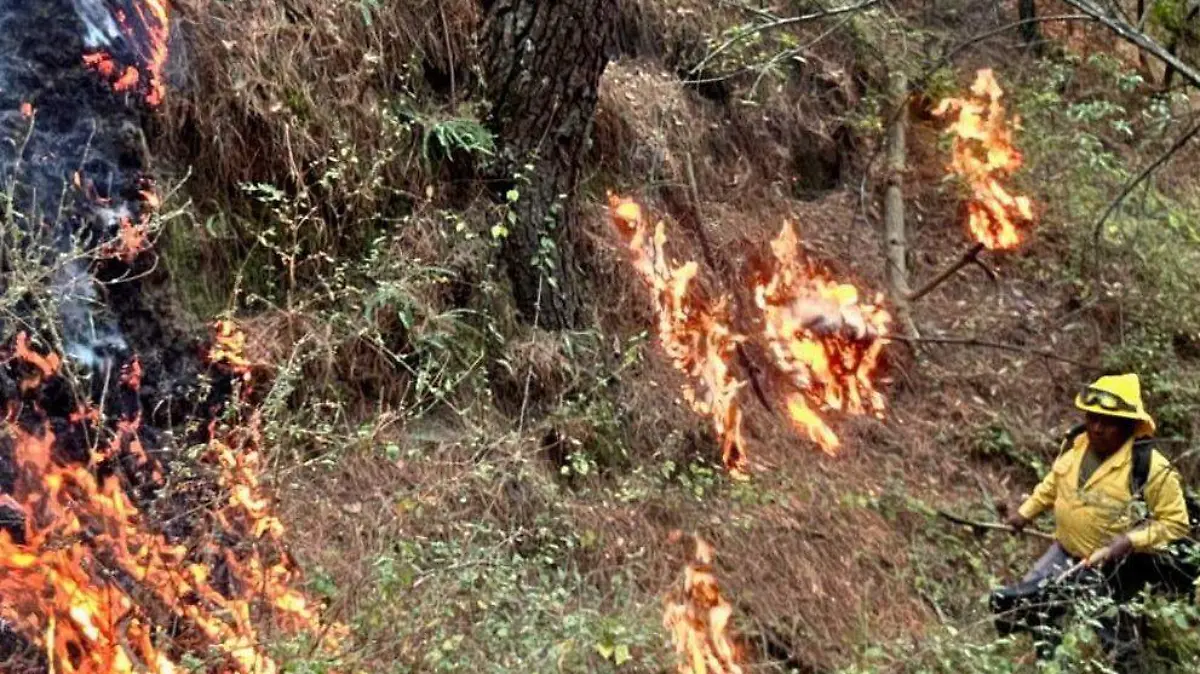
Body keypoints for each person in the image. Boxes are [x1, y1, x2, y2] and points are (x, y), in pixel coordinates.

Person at [993, 373, 1191, 669]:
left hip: (1112, 569)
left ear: (1128, 425)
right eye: (1092, 418)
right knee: (1036, 605)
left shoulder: (1150, 467)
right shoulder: (1077, 445)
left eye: (1108, 422)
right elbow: (1053, 484)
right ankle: (1049, 663)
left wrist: (1128, 541)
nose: (1097, 428)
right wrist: (1024, 513)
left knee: (1115, 637)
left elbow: (1176, 523)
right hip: (1064, 551)